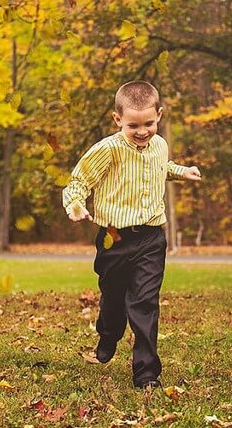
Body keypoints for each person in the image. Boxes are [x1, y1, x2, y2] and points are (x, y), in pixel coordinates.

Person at [62, 81, 201, 389]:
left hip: (152, 238)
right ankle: (108, 335)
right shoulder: (107, 150)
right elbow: (78, 182)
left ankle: (146, 373)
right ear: (117, 120)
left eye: (149, 124)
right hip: (114, 238)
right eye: (133, 125)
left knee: (145, 302)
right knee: (113, 300)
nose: (142, 131)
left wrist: (182, 171)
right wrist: (74, 204)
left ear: (159, 116)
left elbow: (160, 167)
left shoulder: (160, 144)